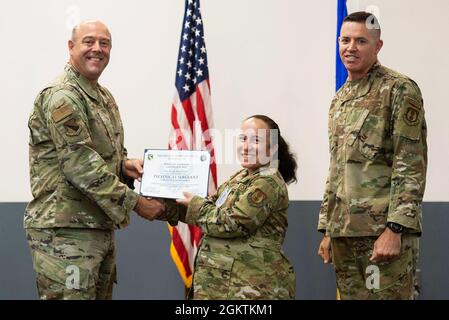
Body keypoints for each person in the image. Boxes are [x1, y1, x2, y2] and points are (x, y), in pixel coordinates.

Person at [25, 20, 165, 300]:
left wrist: (125, 165)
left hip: (95, 226)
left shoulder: (101, 96)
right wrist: (135, 203)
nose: (97, 49)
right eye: (89, 41)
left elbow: (98, 153)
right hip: (65, 233)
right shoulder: (62, 95)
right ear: (71, 47)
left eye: (105, 43)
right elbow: (80, 164)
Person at [317, 12, 427, 299]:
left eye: (361, 41)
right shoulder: (340, 98)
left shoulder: (399, 89)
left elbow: (410, 162)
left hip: (381, 234)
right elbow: (336, 167)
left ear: (377, 46)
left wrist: (395, 228)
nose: (350, 47)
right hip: (345, 232)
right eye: (345, 40)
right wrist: (329, 229)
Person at [164, 115, 297, 299]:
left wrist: (195, 204)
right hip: (224, 286)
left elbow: (232, 223)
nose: (246, 146)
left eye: (256, 140)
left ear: (272, 148)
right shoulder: (241, 177)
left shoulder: (267, 181)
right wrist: (165, 206)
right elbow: (210, 210)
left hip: (251, 289)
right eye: (243, 138)